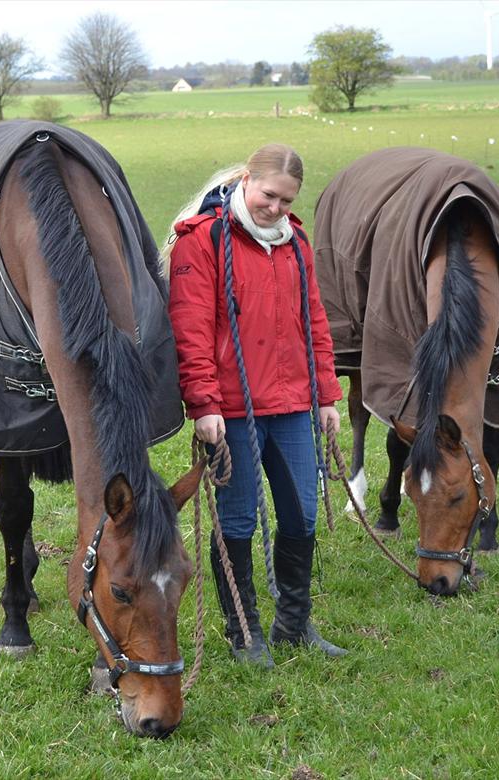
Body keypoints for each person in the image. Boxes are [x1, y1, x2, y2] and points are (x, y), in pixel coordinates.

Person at [163, 143, 347, 668]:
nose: (276, 209)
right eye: (269, 195)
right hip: (233, 412)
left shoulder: (296, 244)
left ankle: (293, 622)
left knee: (302, 515)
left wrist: (327, 394)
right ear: (247, 180)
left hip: (292, 406)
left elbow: (314, 321)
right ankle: (244, 633)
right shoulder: (201, 242)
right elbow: (191, 329)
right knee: (239, 520)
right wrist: (203, 405)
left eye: (286, 202)